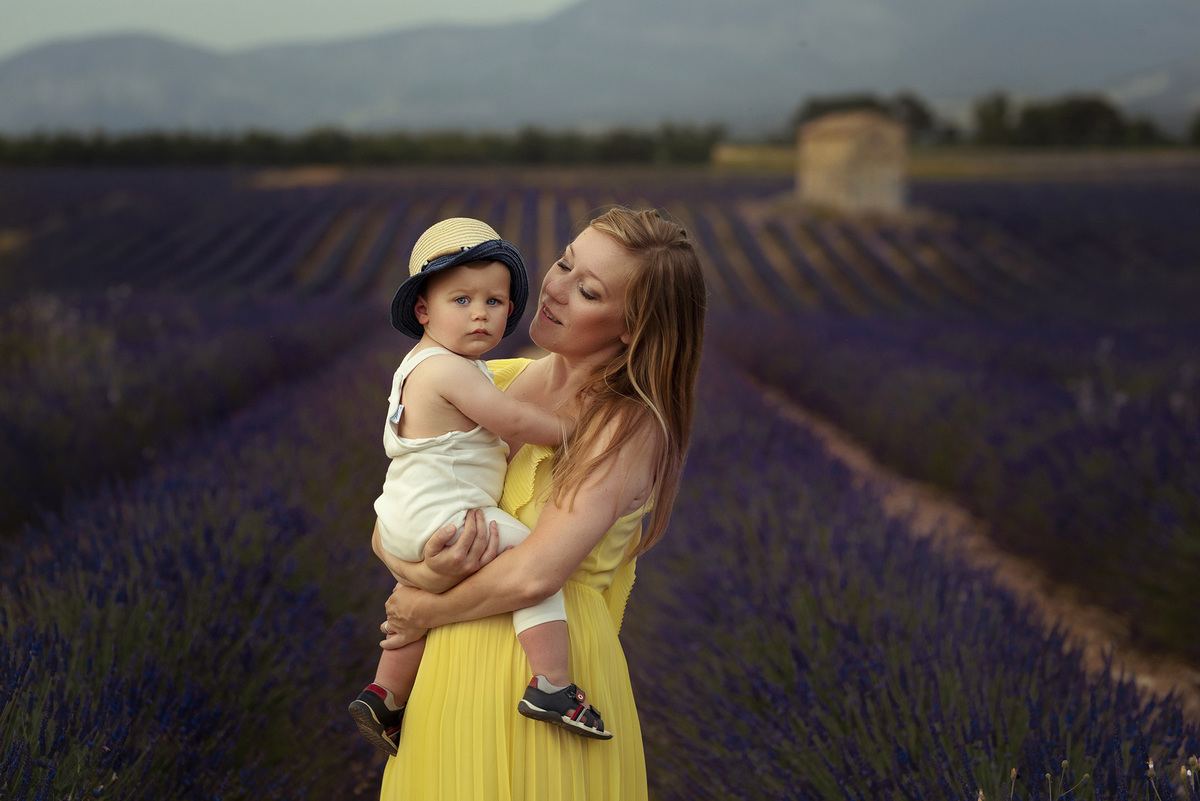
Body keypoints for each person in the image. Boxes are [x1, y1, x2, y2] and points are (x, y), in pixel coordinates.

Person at [371, 206, 707, 800]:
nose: (553, 289)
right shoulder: (488, 382)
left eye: (588, 291)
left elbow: (538, 572)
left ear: (633, 326)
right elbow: (394, 514)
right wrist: (427, 571)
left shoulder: (627, 425)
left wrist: (425, 609)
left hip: (545, 689)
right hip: (448, 681)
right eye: (564, 263)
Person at [348, 217, 613, 757]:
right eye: (461, 300)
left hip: (401, 514)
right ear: (424, 311)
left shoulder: (417, 366)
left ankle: (384, 693)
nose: (480, 314)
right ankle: (552, 683)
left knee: (427, 591)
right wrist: (570, 431)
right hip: (444, 515)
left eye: (494, 302)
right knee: (529, 562)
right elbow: (513, 423)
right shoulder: (454, 372)